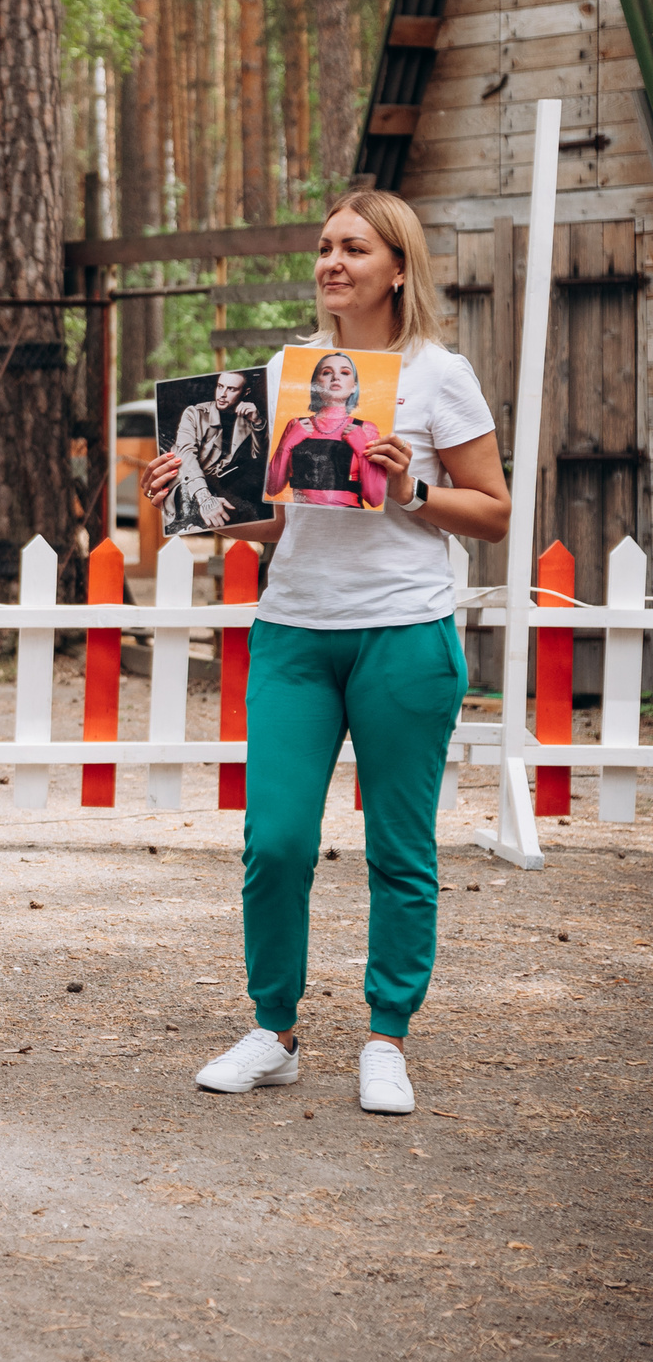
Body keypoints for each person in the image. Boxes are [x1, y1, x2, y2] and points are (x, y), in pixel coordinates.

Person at [142, 190, 508, 1116]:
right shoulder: (285, 372)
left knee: (398, 849)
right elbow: (281, 516)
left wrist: (411, 485)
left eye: (353, 248)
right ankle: (276, 1031)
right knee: (276, 841)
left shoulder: (438, 375)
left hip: (403, 635)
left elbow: (494, 512)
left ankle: (387, 1037)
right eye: (323, 249)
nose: (332, 263)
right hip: (296, 633)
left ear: (398, 266)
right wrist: (196, 500)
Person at [266, 351, 388, 509]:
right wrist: (287, 445)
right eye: (327, 372)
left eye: (344, 373)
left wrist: (361, 449)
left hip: (350, 521)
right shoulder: (296, 425)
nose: (336, 377)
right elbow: (272, 489)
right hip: (305, 521)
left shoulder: (366, 429)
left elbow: (376, 499)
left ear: (354, 387)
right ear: (315, 385)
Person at [165, 370, 268, 534]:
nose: (222, 394)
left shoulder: (247, 417)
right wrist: (204, 497)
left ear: (245, 392)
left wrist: (257, 422)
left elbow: (260, 458)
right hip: (190, 482)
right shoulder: (194, 413)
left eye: (231, 389)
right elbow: (185, 454)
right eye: (220, 387)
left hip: (226, 485)